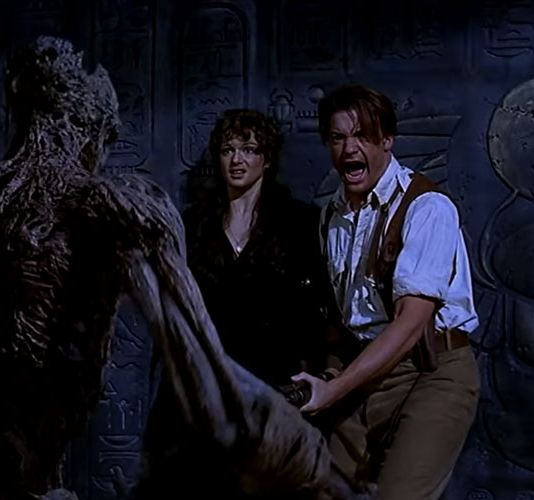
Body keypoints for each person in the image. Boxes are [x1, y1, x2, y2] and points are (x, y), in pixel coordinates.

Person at [292, 83, 480, 500]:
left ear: (387, 140)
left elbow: (411, 323)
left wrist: (334, 391)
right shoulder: (331, 216)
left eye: (362, 136)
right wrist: (330, 374)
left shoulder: (427, 207)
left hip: (432, 370)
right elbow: (343, 317)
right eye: (338, 138)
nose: (349, 149)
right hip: (366, 374)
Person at [183, 108, 329, 387]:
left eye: (248, 150)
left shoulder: (298, 221)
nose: (236, 160)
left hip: (275, 375)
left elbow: (311, 311)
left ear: (267, 159)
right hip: (209, 376)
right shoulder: (195, 225)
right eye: (227, 150)